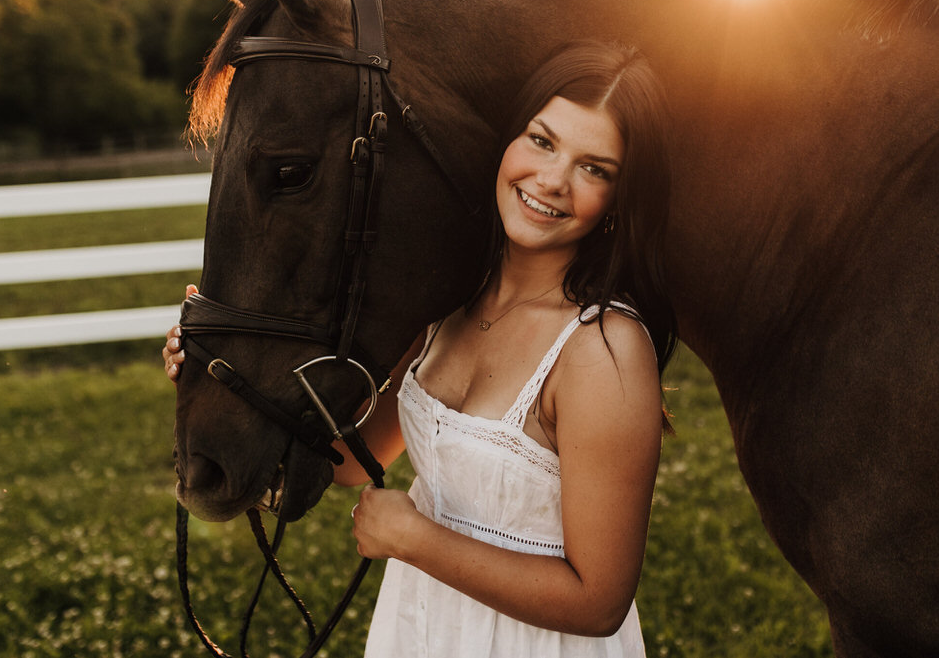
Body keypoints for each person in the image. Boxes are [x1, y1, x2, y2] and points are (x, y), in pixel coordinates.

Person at [165, 39, 677, 657]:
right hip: (420, 629)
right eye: (542, 141)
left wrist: (417, 541)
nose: (552, 180)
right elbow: (349, 462)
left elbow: (599, 602)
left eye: (594, 169)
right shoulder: (449, 301)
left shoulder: (601, 350)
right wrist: (224, 372)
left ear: (621, 198)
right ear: (508, 139)